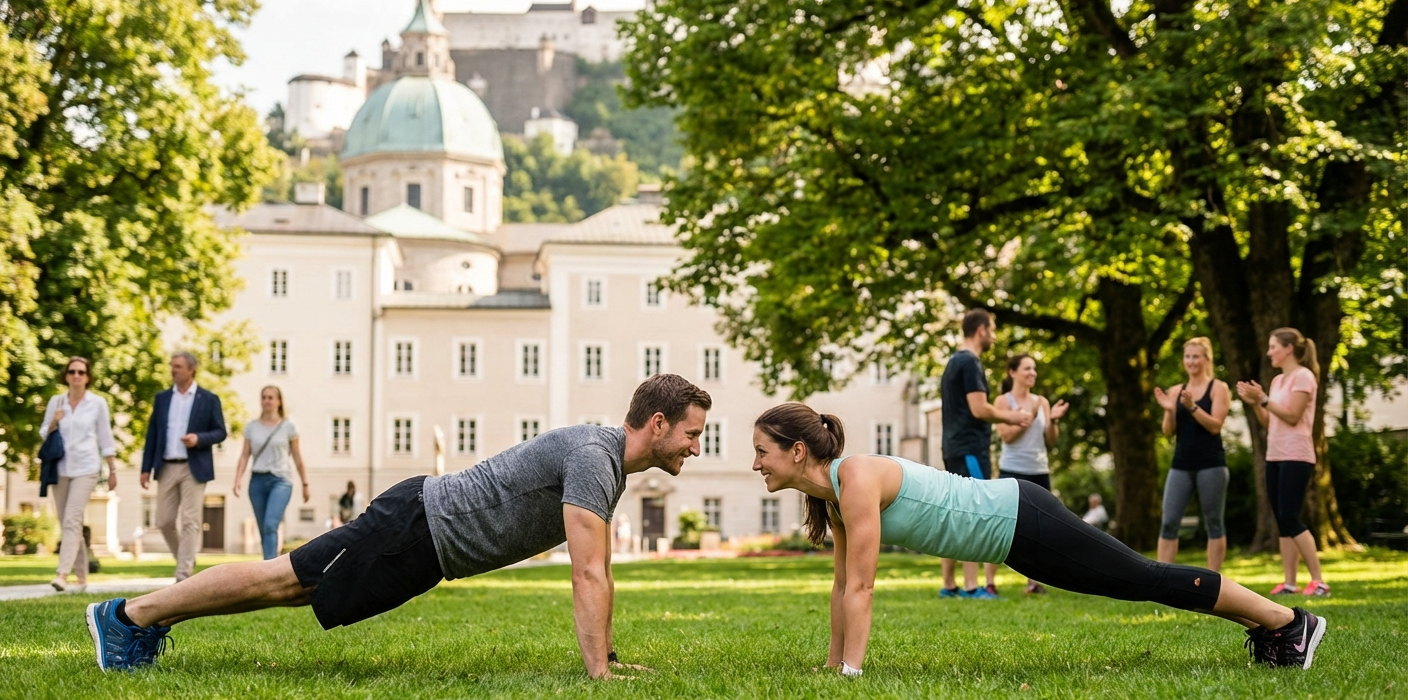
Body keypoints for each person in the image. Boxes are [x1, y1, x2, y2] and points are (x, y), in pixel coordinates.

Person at [87, 374, 711, 676]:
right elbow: (588, 570)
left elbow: (593, 567)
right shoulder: (593, 458)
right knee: (285, 580)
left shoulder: (603, 457)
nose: (695, 448)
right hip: (416, 526)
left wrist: (603, 655)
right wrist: (599, 671)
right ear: (656, 423)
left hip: (424, 539)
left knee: (290, 587)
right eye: (690, 434)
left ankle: (143, 620)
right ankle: (128, 618)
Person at [751, 403, 1328, 675]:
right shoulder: (835, 496)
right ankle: (1271, 629)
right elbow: (840, 591)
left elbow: (863, 590)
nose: (756, 464)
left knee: (1142, 577)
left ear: (797, 450)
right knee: (1133, 584)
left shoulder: (855, 479)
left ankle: (1286, 622)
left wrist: (852, 675)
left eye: (762, 451)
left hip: (1022, 517)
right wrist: (832, 667)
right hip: (1013, 540)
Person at [938, 309, 1031, 599]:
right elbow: (979, 408)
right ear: (980, 330)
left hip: (953, 447)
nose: (993, 335)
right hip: (969, 449)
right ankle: (970, 587)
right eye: (992, 329)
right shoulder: (970, 363)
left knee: (954, 513)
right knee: (973, 514)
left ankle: (949, 585)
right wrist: (1012, 418)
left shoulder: (953, 361)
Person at [1236, 328, 1330, 597]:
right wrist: (1256, 403)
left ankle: (1319, 581)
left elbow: (1292, 416)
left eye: (1273, 346)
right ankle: (1290, 582)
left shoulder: (1304, 376)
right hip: (1274, 456)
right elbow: (1269, 421)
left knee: (1290, 517)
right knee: (1282, 520)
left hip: (1296, 456)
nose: (1269, 352)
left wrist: (1263, 399)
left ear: (1288, 349)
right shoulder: (1277, 381)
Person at [139, 352, 228, 582]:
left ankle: (183, 574)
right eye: (172, 366)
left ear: (191, 370)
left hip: (193, 466)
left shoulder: (208, 399)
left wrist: (199, 438)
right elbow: (153, 434)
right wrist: (145, 467)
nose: (173, 370)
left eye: (177, 366)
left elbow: (220, 432)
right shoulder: (162, 398)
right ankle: (185, 557)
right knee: (164, 521)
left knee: (190, 520)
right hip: (166, 465)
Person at [39, 357, 119, 592]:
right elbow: (44, 432)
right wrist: (54, 421)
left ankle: (62, 574)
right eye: (72, 371)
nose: (76, 375)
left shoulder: (97, 403)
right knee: (69, 524)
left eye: (81, 372)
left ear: (87, 377)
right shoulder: (57, 401)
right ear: (66, 376)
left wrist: (112, 470)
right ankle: (82, 577)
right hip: (60, 468)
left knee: (72, 520)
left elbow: (105, 438)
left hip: (87, 468)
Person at [1153, 338, 1232, 572]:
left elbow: (1215, 426)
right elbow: (1168, 432)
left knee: (1214, 523)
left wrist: (1192, 407)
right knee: (1168, 522)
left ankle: (1213, 581)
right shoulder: (1176, 390)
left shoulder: (1219, 388)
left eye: (1196, 356)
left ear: (1207, 359)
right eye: (1187, 357)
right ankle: (1161, 578)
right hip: (1181, 465)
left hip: (1211, 464)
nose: (1191, 361)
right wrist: (1169, 410)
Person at [995, 353, 1068, 594]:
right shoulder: (1003, 402)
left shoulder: (1042, 401)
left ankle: (1034, 582)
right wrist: (1031, 415)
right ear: (1012, 372)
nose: (1032, 373)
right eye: (1027, 368)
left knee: (1040, 529)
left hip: (1039, 469)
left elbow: (1050, 439)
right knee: (1001, 525)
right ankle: (988, 582)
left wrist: (1053, 421)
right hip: (1012, 470)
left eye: (1034, 369)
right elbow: (1006, 436)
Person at [231, 386, 309, 560]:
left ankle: (270, 568)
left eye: (271, 398)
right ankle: (269, 564)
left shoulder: (288, 426)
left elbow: (297, 457)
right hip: (257, 480)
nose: (267, 401)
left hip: (281, 480)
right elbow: (244, 456)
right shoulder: (252, 427)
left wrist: (305, 483)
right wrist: (237, 480)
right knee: (262, 527)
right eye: (264, 397)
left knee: (270, 524)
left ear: (278, 401)